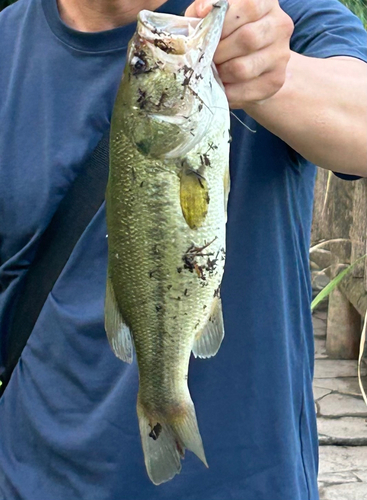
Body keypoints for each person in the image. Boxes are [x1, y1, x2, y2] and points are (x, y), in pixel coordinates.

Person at [0, 0, 366, 498]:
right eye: (140, 63)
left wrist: (277, 77)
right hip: (32, 476)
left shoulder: (269, 13)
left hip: (244, 482)